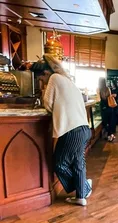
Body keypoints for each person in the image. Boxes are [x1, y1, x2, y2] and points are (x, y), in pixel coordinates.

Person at [31, 54, 92, 206]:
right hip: (83, 129)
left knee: (59, 163)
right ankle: (81, 196)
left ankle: (84, 188)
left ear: (46, 73)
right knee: (78, 163)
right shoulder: (67, 80)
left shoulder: (54, 78)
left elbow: (48, 104)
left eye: (41, 79)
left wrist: (45, 90)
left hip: (71, 130)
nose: (42, 82)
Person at [99, 78, 117, 142]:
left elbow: (100, 99)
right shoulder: (108, 88)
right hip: (110, 107)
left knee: (104, 123)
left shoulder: (100, 89)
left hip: (104, 108)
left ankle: (110, 135)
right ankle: (110, 136)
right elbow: (108, 97)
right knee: (110, 122)